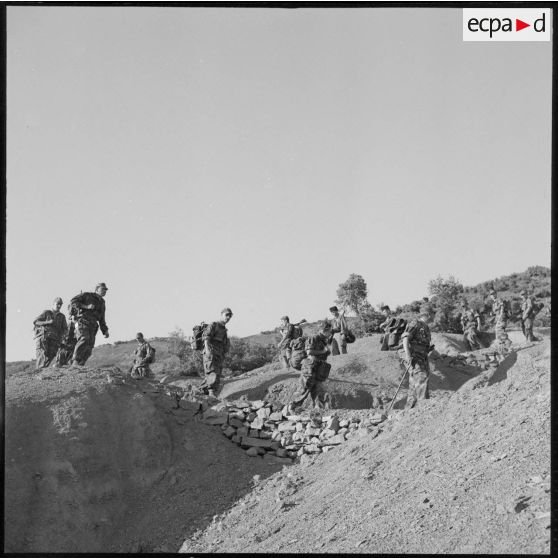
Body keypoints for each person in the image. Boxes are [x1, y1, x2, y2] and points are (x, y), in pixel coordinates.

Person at [288, 328, 331, 413]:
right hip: (309, 367)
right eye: (330, 331)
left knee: (318, 389)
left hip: (319, 367)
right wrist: (323, 351)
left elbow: (326, 353)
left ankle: (318, 409)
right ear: (324, 330)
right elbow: (309, 352)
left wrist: (326, 351)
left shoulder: (323, 341)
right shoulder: (313, 338)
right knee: (305, 388)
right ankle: (292, 406)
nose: (330, 333)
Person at [68, 282, 109, 366]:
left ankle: (81, 363)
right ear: (97, 289)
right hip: (83, 321)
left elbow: (102, 318)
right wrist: (86, 306)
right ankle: (75, 360)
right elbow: (73, 301)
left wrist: (105, 331)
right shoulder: (87, 295)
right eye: (102, 289)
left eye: (105, 290)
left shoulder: (102, 302)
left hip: (93, 325)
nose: (104, 291)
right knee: (84, 339)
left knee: (89, 346)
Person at [398, 310, 432, 409]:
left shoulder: (426, 327)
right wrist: (408, 356)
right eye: (432, 314)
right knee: (421, 376)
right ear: (427, 315)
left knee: (414, 382)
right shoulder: (415, 323)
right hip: (413, 355)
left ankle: (409, 410)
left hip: (421, 357)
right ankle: (423, 407)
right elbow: (405, 339)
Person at [200, 307, 232, 398]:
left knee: (217, 374)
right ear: (221, 315)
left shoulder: (224, 329)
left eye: (230, 316)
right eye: (226, 315)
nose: (228, 317)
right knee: (211, 372)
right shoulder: (214, 325)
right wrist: (207, 350)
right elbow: (206, 337)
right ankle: (210, 392)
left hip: (218, 354)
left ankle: (204, 392)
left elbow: (223, 343)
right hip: (210, 352)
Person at [33, 297, 68, 369]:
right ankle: (39, 372)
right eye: (57, 304)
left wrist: (62, 337)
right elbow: (36, 322)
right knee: (42, 355)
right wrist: (47, 322)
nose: (59, 306)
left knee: (50, 357)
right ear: (53, 304)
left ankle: (42, 374)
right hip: (44, 337)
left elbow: (65, 329)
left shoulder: (62, 317)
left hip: (54, 340)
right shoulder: (47, 313)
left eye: (60, 304)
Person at [489, 289, 512, 354]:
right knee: (498, 333)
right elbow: (496, 312)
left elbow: (502, 308)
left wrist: (501, 316)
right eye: (491, 294)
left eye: (493, 294)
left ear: (496, 293)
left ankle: (509, 345)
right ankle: (502, 349)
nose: (493, 295)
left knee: (500, 331)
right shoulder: (494, 303)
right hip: (498, 319)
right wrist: (492, 313)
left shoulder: (499, 299)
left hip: (502, 318)